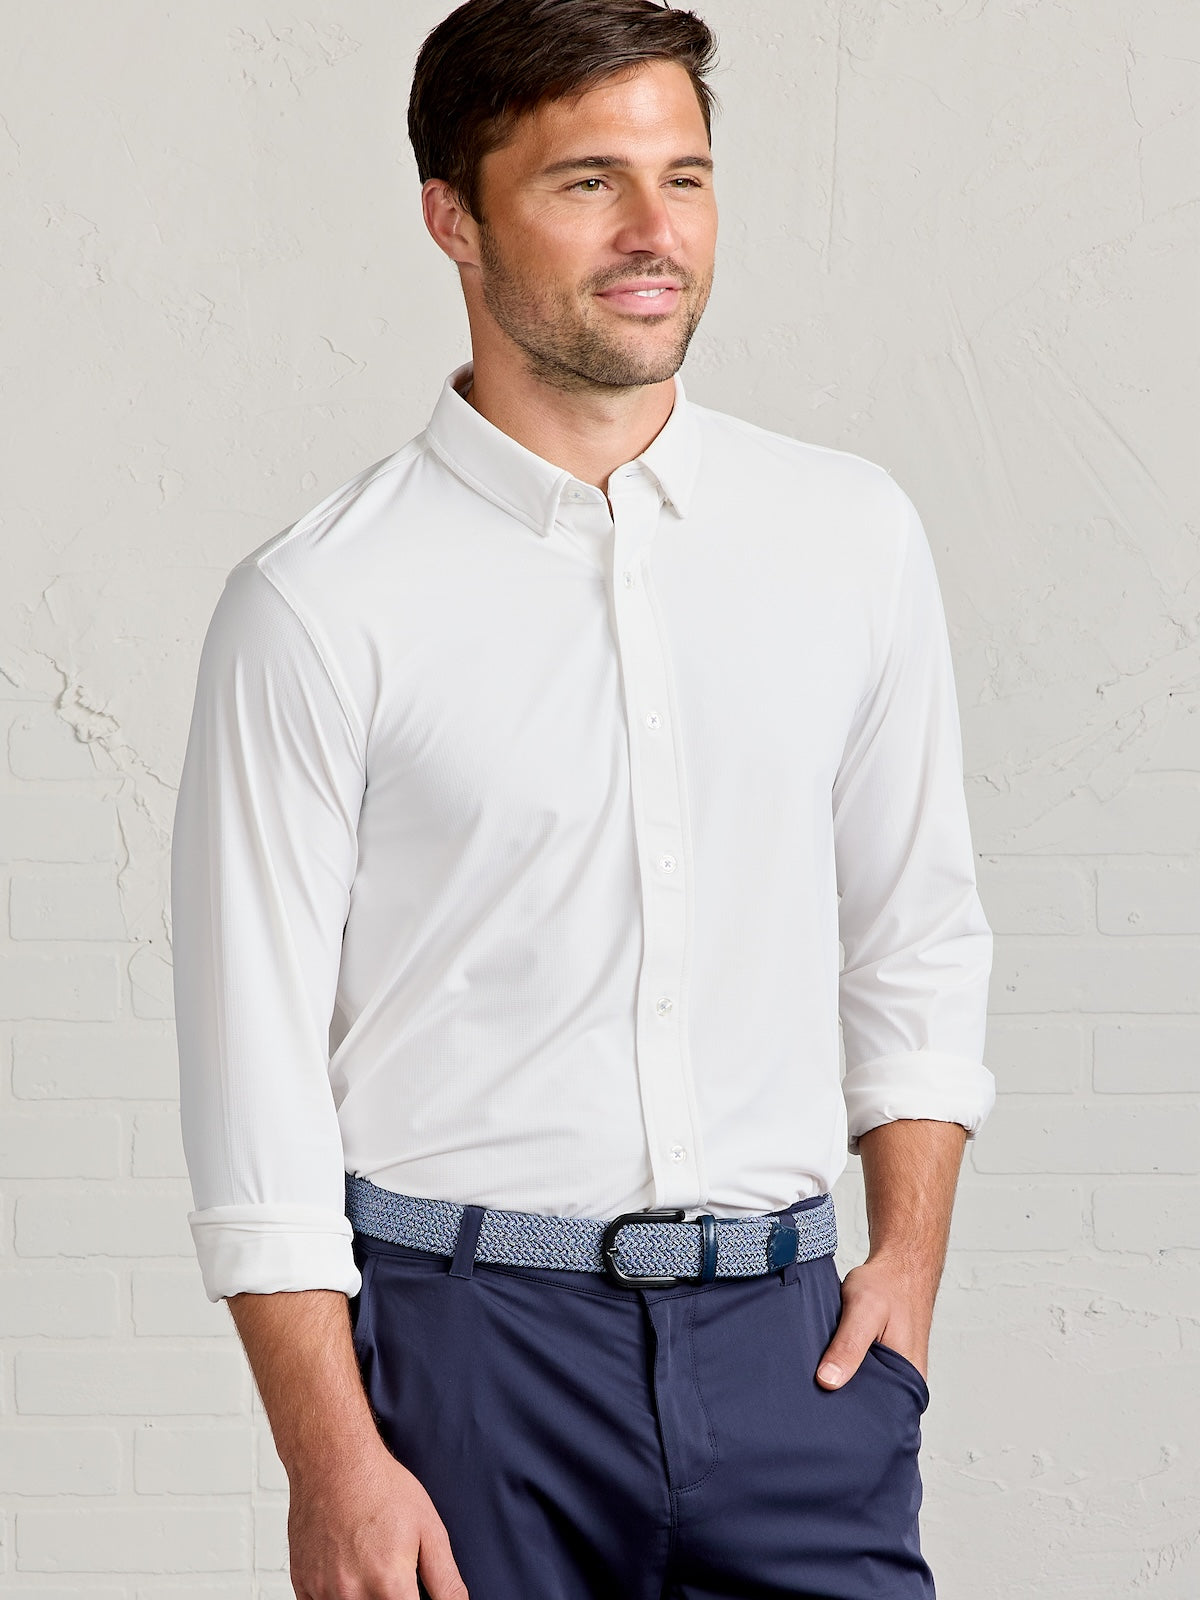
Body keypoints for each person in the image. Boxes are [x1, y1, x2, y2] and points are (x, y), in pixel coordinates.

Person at [170, 2, 996, 1596]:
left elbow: (918, 926)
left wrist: (907, 1262)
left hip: (796, 1350)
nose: (652, 234)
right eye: (587, 182)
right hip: (467, 1363)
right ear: (453, 219)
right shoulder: (320, 603)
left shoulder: (849, 537)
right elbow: (251, 1071)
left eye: (684, 178)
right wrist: (332, 1459)